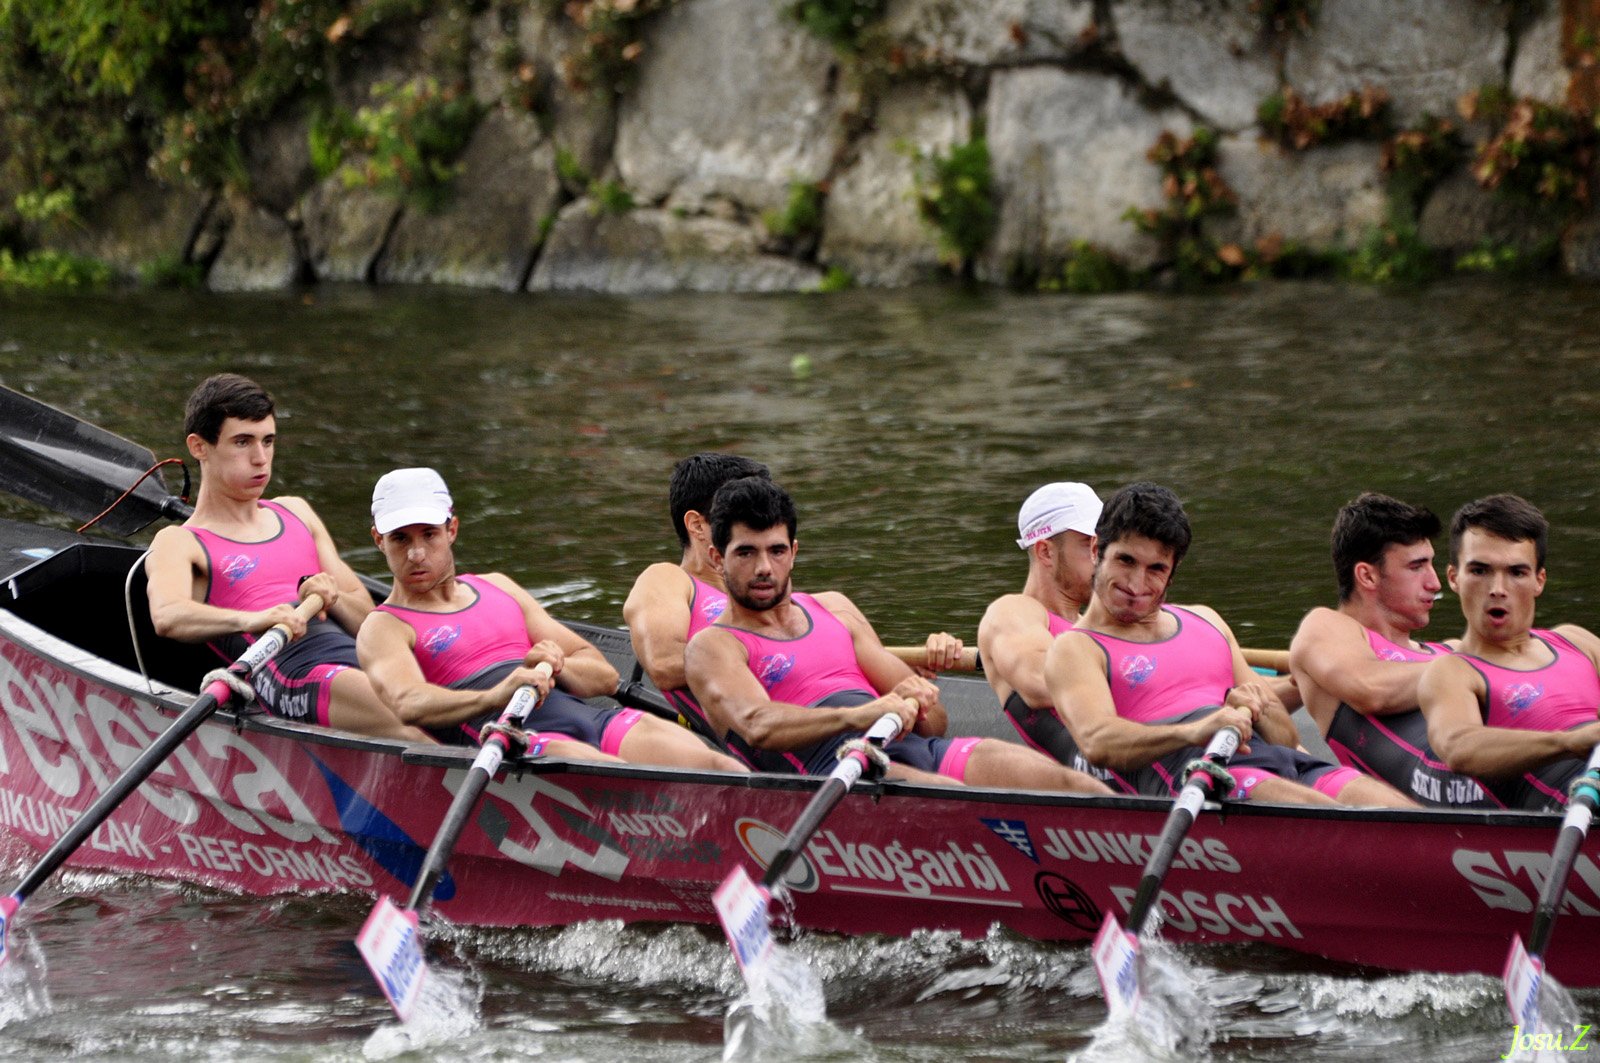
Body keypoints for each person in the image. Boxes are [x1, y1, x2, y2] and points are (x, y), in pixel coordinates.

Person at [683, 476, 1109, 792]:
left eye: (776, 551)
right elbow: (758, 726)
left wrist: (918, 700)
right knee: (963, 801)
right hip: (838, 773)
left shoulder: (835, 609)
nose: (763, 568)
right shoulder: (712, 646)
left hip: (912, 751)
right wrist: (860, 715)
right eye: (746, 553)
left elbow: (937, 724)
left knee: (1072, 789)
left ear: (793, 553)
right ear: (718, 558)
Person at [1044, 482, 1412, 806]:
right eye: (1126, 561)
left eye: (1156, 569)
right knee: (1344, 826)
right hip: (1201, 778)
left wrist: (1259, 707)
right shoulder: (1076, 648)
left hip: (1283, 763)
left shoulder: (1207, 621)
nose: (1137, 583)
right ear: (1097, 551)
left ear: (1173, 571)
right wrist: (1195, 731)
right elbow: (1097, 742)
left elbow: (1286, 738)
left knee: (1404, 819)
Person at [357, 467, 745, 771]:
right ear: (378, 540)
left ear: (452, 530)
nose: (417, 553)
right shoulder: (384, 625)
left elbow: (605, 675)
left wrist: (557, 667)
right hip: (517, 742)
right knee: (634, 780)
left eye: (429, 534)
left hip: (590, 719)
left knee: (718, 766)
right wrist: (497, 694)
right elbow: (409, 703)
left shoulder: (498, 588)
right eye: (400, 539)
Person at [145, 374, 428, 742]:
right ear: (199, 447)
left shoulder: (296, 512)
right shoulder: (180, 542)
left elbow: (367, 621)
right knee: (410, 713)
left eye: (268, 441)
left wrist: (334, 596)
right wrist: (256, 618)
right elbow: (168, 616)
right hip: (287, 671)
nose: (260, 459)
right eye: (242, 442)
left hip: (356, 658)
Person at [623, 452, 964, 755]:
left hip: (845, 714)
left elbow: (818, 649)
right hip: (778, 732)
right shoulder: (667, 578)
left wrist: (886, 668)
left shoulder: (771, 588)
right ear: (698, 525)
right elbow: (666, 665)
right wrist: (774, 659)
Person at [1288, 493, 1495, 807]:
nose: (1435, 583)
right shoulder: (1326, 626)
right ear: (1367, 575)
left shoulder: (1451, 650)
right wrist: (1479, 668)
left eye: (1431, 565)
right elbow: (1370, 689)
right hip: (1455, 792)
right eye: (1416, 567)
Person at [1418, 494, 1600, 810]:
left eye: (1516, 572)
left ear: (1538, 581)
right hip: (1572, 800)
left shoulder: (1575, 641)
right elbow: (1459, 747)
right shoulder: (1452, 672)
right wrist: (1569, 742)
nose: (1498, 588)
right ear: (1453, 578)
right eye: (1480, 570)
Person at [977, 481, 1103, 761]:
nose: (1102, 560)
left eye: (1103, 545)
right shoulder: (1013, 611)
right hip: (1101, 763)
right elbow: (1039, 681)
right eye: (1089, 545)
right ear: (1045, 551)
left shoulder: (1095, 627)